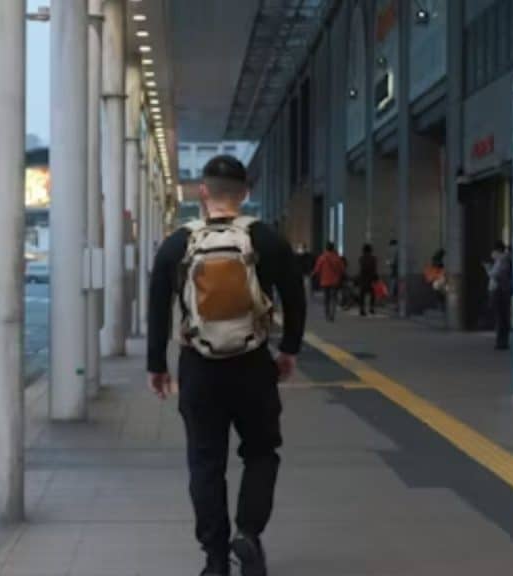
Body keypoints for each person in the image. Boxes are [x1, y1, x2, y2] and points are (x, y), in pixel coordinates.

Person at [147, 155, 307, 576]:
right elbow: (295, 296)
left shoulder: (177, 243)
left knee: (205, 463)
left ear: (203, 192)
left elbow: (157, 307)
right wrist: (288, 349)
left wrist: (156, 366)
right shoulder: (265, 239)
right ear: (245, 194)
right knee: (261, 452)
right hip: (253, 365)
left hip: (199, 368)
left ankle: (215, 560)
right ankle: (248, 533)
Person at [484, 242, 513, 350]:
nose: (492, 253)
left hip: (500, 291)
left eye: (494, 251)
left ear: (498, 251)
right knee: (501, 317)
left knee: (501, 317)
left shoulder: (502, 260)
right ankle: (501, 341)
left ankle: (501, 342)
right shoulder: (501, 260)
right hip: (500, 291)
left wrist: (488, 269)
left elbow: (496, 274)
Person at [312, 242, 345, 322]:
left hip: (325, 281)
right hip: (335, 281)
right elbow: (342, 268)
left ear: (326, 248)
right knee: (334, 298)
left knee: (326, 299)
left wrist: (313, 274)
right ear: (333, 248)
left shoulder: (322, 257)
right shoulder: (337, 257)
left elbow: (317, 269)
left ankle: (327, 315)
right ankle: (332, 315)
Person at [358, 244, 378, 316]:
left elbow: (361, 268)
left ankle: (362, 309)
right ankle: (371, 308)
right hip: (371, 279)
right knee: (372, 294)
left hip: (363, 278)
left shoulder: (361, 258)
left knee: (362, 295)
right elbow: (374, 269)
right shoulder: (373, 259)